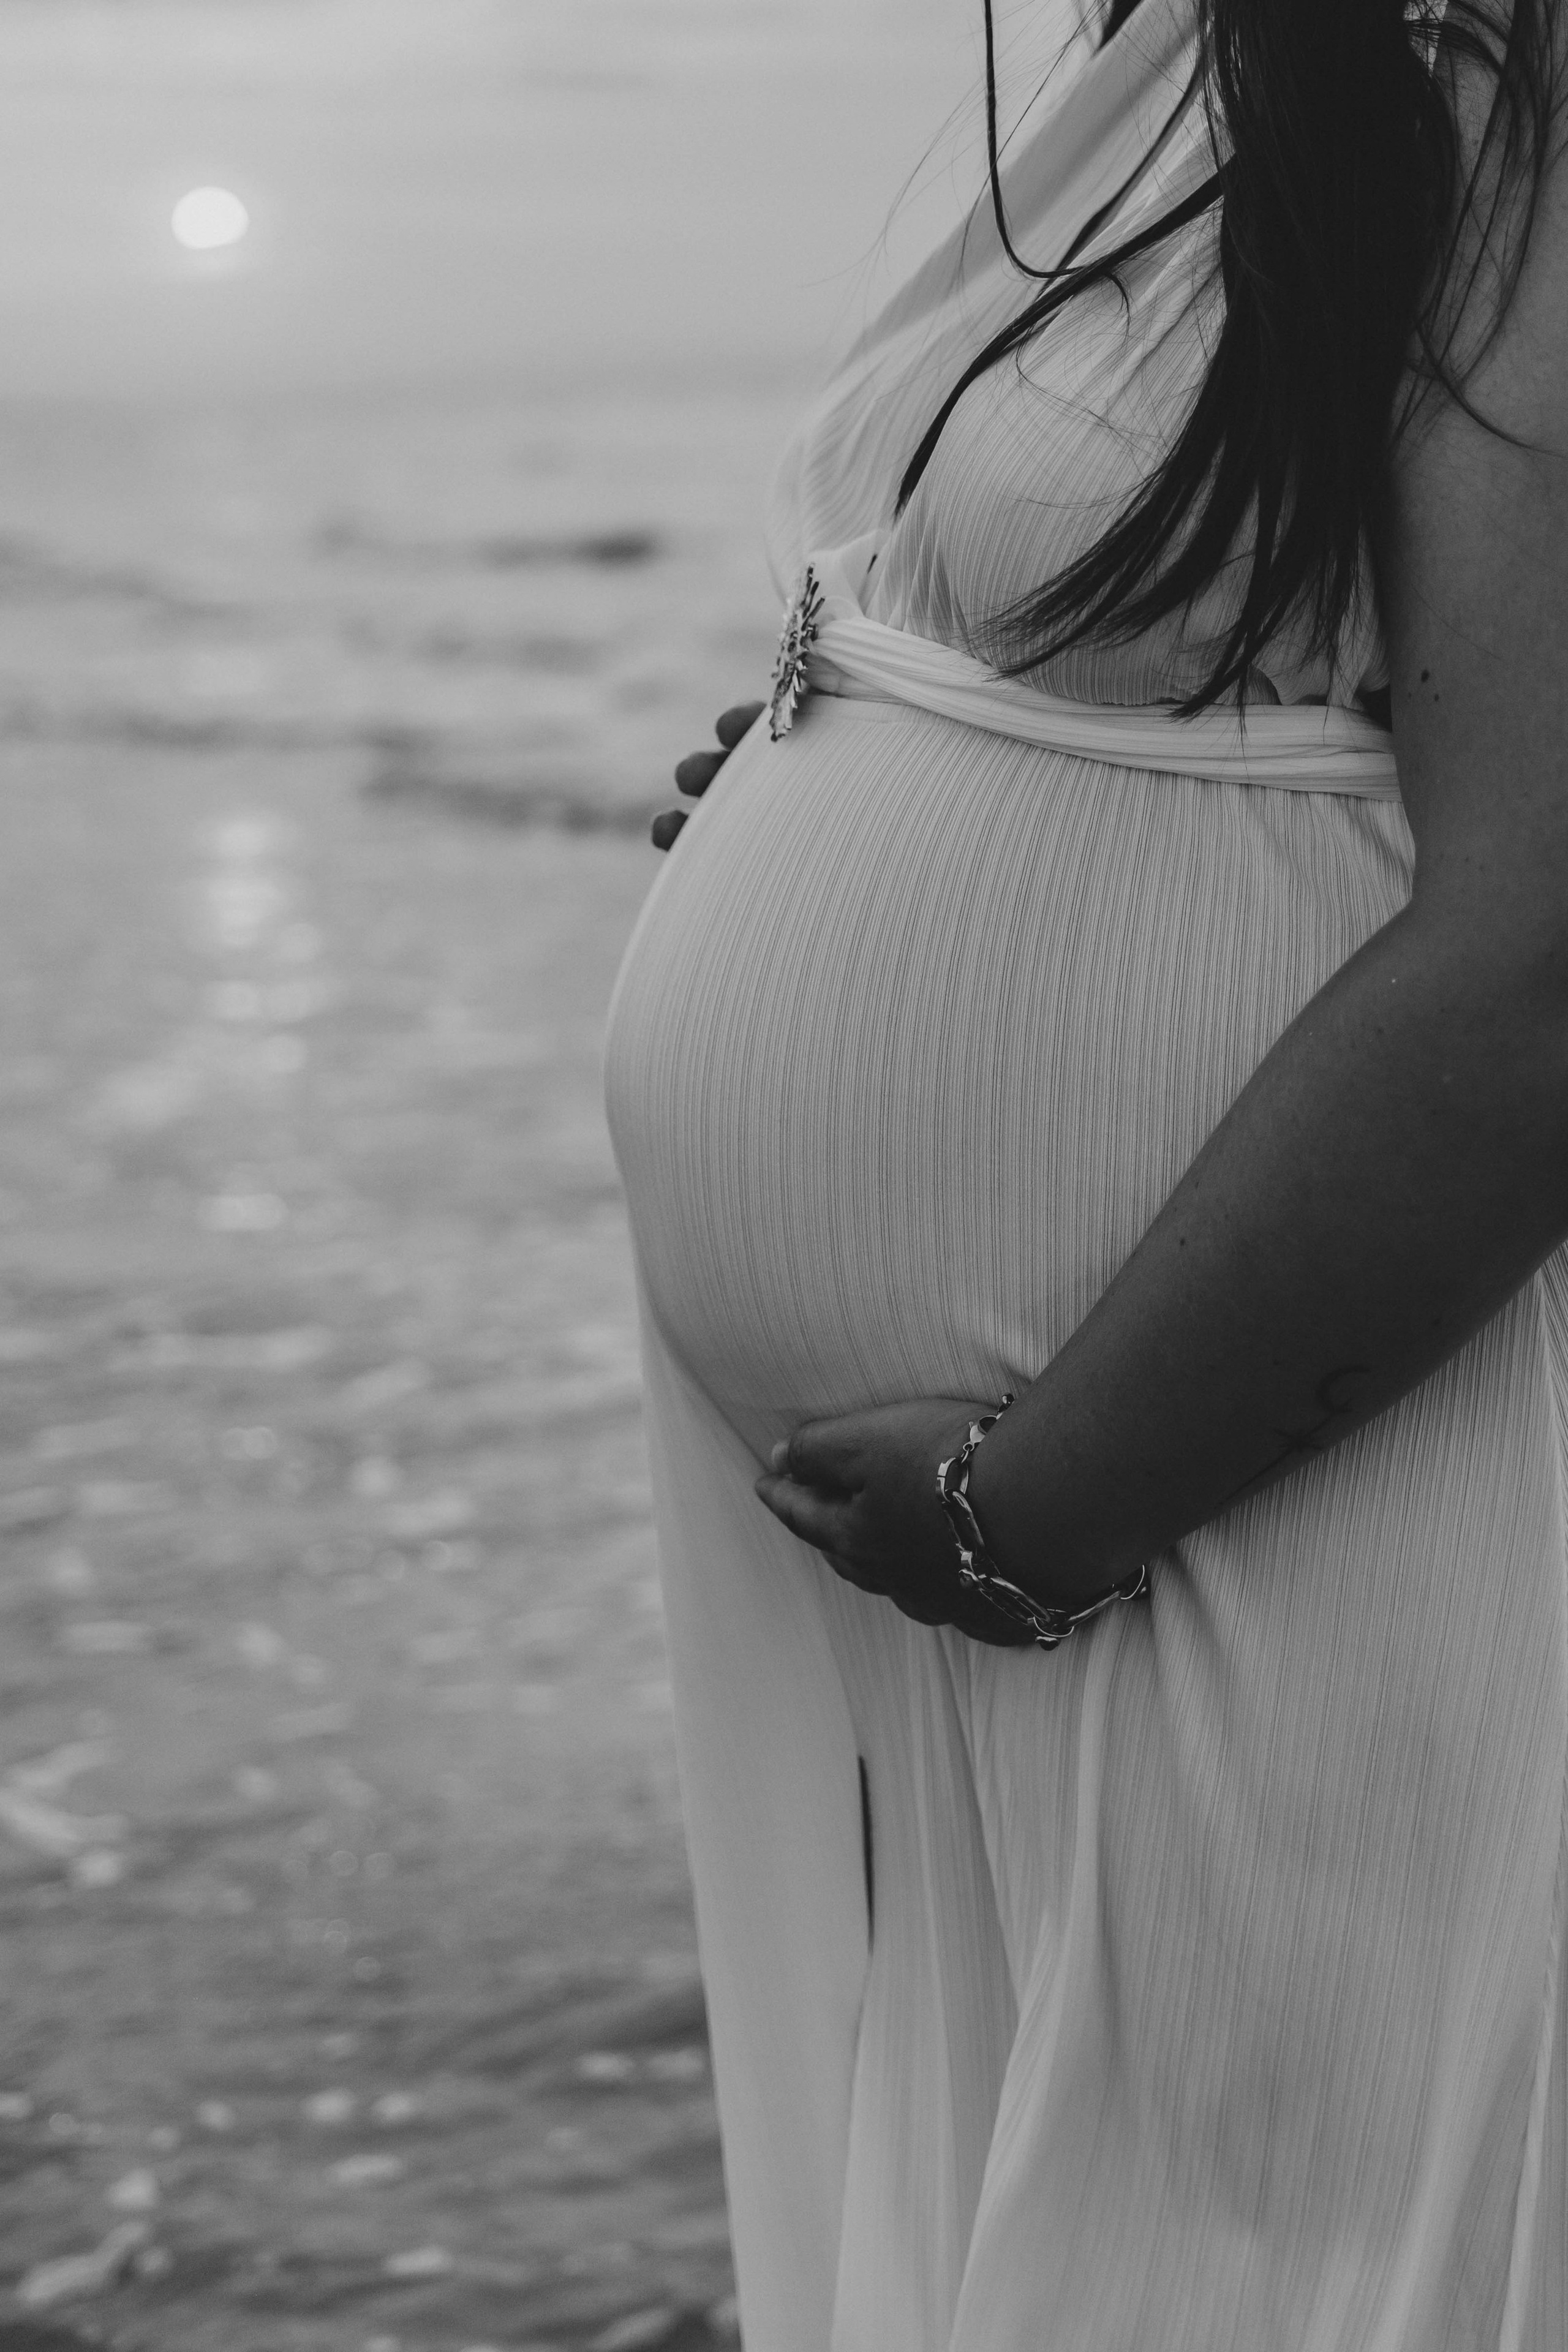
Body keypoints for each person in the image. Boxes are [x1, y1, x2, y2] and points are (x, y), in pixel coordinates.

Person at [604, 0, 1568, 2342]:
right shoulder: (1220, 61)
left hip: (1273, 1490)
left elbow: (1550, 935)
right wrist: (912, 724)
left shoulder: (1516, 76)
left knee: (1283, 2269)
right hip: (1102, 1518)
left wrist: (1042, 1513)